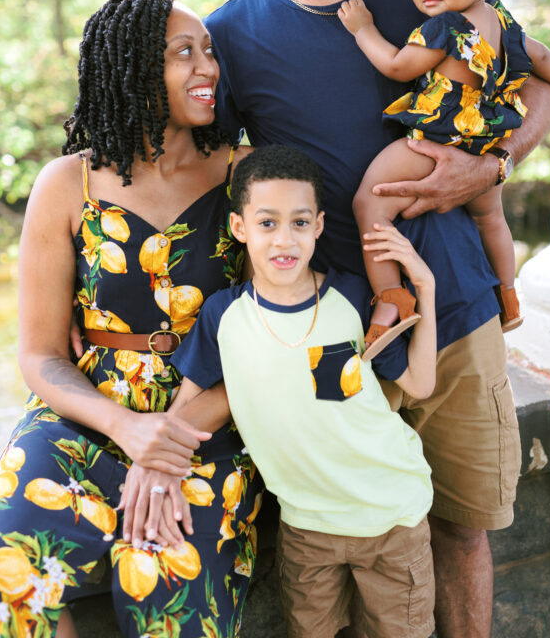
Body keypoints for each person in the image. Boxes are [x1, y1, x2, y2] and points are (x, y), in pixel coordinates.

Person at [205, 0, 550, 638]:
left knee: (463, 526)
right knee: (354, 528)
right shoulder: (231, 35)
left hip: (460, 305)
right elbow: (213, 180)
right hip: (334, 325)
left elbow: (544, 90)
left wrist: (492, 166)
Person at [0, 0, 262, 638]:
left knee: (166, 579)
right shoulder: (65, 185)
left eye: (208, 51)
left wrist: (164, 449)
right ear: (127, 67)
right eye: (184, 53)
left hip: (210, 419)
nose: (207, 68)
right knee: (4, 564)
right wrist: (125, 427)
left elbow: (275, 330)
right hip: (86, 418)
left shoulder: (247, 176)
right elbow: (41, 355)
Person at [172, 145, 438, 638]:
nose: (284, 240)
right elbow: (181, 413)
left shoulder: (353, 298)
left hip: (391, 518)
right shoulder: (222, 317)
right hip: (306, 528)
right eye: (267, 223)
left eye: (298, 223)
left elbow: (420, 384)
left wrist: (426, 287)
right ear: (239, 228)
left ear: (318, 225)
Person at [338, 0, 550, 348]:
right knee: (491, 218)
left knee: (368, 204)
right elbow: (540, 55)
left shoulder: (445, 27)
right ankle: (509, 296)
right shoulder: (503, 21)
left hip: (437, 136)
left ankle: (391, 301)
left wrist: (363, 28)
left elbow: (395, 65)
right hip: (485, 140)